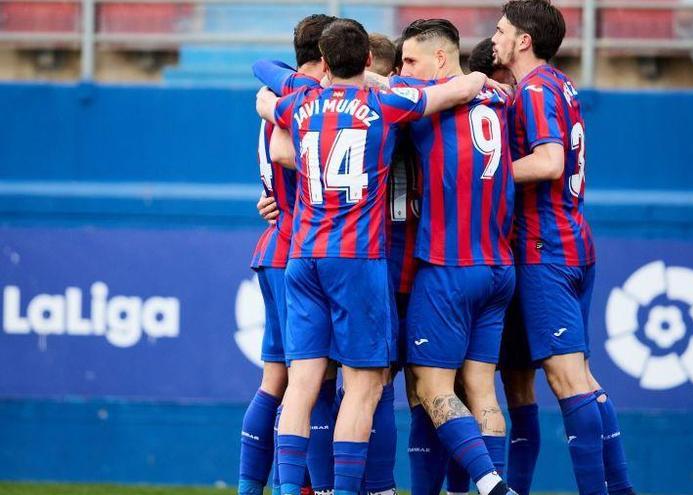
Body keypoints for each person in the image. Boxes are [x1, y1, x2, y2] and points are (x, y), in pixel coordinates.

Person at [255, 18, 490, 495]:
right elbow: (455, 91)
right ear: (367, 60)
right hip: (358, 258)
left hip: (303, 255)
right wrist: (478, 79)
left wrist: (273, 99)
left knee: (300, 385)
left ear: (323, 62)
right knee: (365, 386)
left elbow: (266, 81)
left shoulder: (299, 100)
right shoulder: (384, 103)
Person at [492, 1, 635, 494]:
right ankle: (619, 488)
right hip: (570, 240)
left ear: (523, 40)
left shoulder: (533, 90)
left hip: (545, 247)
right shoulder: (559, 84)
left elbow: (550, 162)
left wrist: (484, 178)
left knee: (567, 381)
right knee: (582, 379)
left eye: (502, 30)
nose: (495, 37)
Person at [388, 18, 516, 495]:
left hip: (449, 268)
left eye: (411, 60)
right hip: (500, 270)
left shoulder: (425, 103)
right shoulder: (500, 99)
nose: (404, 70)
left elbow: (373, 88)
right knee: (482, 388)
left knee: (432, 388)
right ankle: (493, 482)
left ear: (440, 59)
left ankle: (490, 484)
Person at [239, 13, 335, 495]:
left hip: (275, 248)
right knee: (310, 381)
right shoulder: (312, 105)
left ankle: (255, 487)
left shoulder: (277, 102)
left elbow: (263, 64)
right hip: (306, 251)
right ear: (324, 60)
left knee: (277, 379)